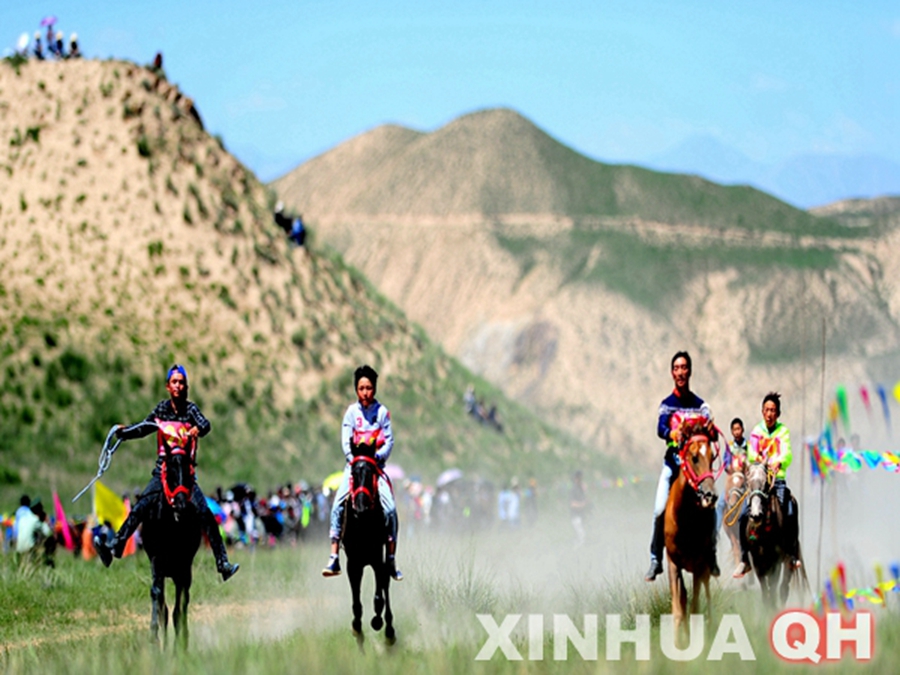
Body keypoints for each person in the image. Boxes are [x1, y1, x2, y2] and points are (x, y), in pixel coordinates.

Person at [94, 365, 239, 581]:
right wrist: (123, 433)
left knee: (205, 513)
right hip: (162, 472)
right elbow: (144, 427)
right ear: (168, 387)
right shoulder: (161, 410)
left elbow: (206, 424)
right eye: (174, 382)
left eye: (181, 382)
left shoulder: (191, 410)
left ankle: (222, 564)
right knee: (141, 506)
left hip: (185, 475)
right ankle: (114, 547)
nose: (178, 386)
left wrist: (197, 429)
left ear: (186, 387)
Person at [645, 351, 720, 581]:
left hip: (696, 472)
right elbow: (660, 429)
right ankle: (656, 558)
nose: (680, 372)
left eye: (684, 367)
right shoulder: (667, 405)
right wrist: (672, 433)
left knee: (712, 506)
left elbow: (711, 434)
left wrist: (711, 430)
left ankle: (711, 554)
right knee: (659, 509)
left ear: (690, 371)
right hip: (673, 466)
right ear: (672, 373)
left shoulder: (701, 406)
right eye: (676, 368)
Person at [323, 365, 402, 580]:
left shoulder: (382, 412)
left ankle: (391, 559)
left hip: (375, 467)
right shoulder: (351, 413)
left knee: (390, 509)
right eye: (361, 388)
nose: (365, 392)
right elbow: (345, 442)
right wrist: (356, 460)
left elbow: (389, 441)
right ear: (356, 389)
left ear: (375, 388)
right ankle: (334, 556)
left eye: (369, 388)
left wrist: (375, 458)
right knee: (338, 505)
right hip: (354, 468)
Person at [733, 392, 800, 577]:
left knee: (789, 510)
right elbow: (752, 454)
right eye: (767, 410)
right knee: (743, 516)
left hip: (777, 480)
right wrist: (760, 460)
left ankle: (791, 554)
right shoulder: (756, 431)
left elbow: (787, 454)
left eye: (773, 410)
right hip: (759, 480)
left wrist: (779, 462)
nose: (769, 414)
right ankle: (745, 559)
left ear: (778, 413)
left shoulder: (783, 431)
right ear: (762, 412)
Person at [717, 417, 748, 532]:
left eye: (738, 429)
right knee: (721, 504)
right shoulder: (729, 446)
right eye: (734, 430)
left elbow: (752, 461)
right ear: (731, 432)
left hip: (744, 482)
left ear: (742, 430)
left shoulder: (748, 446)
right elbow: (726, 462)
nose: (737, 432)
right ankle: (715, 531)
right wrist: (729, 468)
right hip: (732, 479)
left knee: (749, 505)